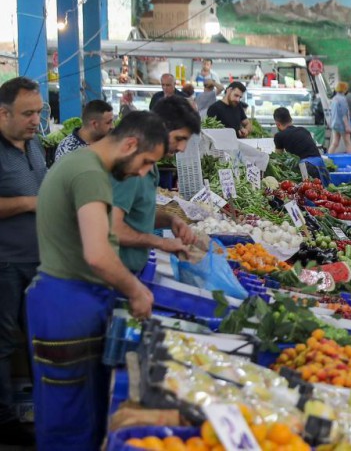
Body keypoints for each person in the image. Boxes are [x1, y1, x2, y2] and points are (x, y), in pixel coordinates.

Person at [29, 111, 164, 448]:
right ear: (130, 144)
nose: (144, 172)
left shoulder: (81, 165)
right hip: (69, 306)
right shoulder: (89, 174)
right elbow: (98, 253)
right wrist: (135, 290)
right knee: (73, 419)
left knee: (68, 407)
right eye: (146, 162)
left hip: (64, 300)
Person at [0, 77, 46, 445]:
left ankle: (44, 410)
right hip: (5, 263)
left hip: (38, 261)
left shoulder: (33, 146)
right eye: (28, 113)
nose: (36, 120)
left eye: (39, 112)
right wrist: (30, 204)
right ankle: (5, 423)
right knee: (2, 343)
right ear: (3, 113)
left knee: (39, 337)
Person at [112, 97, 201, 274]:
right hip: (116, 275)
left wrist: (170, 220)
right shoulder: (133, 167)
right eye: (179, 138)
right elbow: (112, 228)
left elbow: (136, 215)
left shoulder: (150, 165)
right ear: (161, 128)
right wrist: (160, 242)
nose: (183, 148)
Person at [328, 82, 351, 154]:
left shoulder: (334, 99)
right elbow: (344, 114)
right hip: (342, 125)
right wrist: (347, 126)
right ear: (344, 89)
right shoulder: (342, 99)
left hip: (335, 124)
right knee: (348, 142)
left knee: (335, 143)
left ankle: (328, 158)